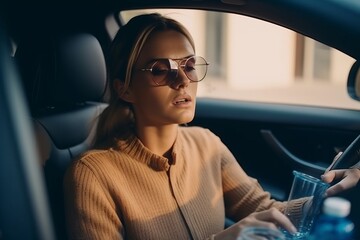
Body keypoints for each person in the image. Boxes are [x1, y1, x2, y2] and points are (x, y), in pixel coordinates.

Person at [63, 13, 360, 240]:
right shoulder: (93, 175)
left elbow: (265, 211)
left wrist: (340, 193)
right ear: (125, 89)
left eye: (189, 65)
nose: (182, 81)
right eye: (159, 70)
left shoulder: (206, 144)